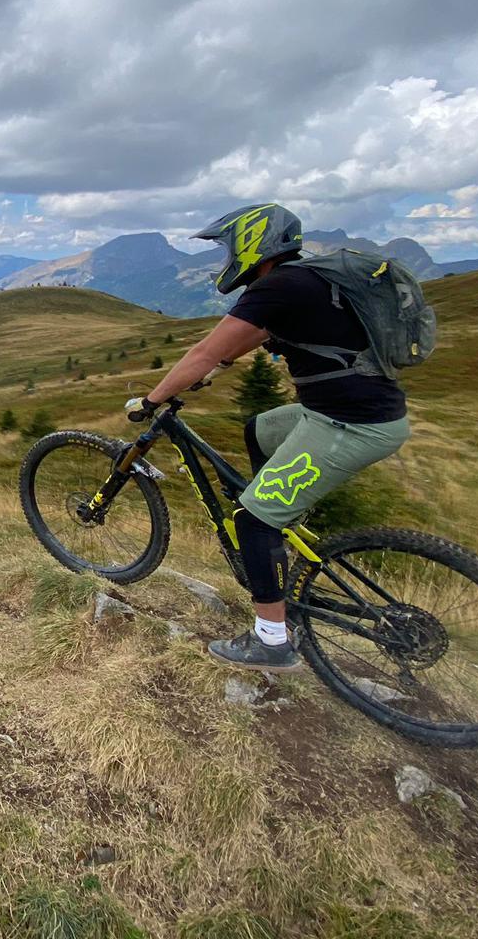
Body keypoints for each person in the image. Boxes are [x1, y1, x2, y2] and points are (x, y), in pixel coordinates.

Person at [132, 204, 411, 669]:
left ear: (253, 243)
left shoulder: (278, 285)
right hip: (346, 411)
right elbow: (245, 342)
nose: (225, 258)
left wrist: (151, 400)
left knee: (253, 520)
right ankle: (280, 533)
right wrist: (216, 368)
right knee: (259, 430)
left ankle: (272, 639)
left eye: (228, 247)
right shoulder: (306, 280)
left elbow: (205, 349)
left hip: (351, 425)